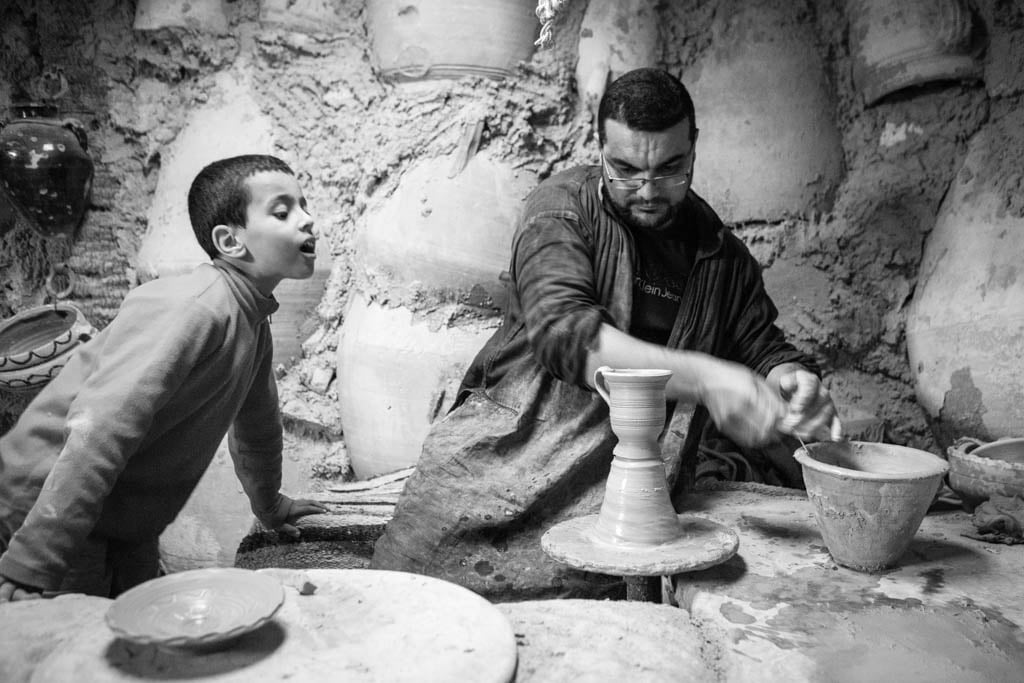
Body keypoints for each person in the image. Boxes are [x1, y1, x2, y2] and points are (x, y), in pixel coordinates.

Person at [372, 68, 842, 599]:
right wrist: (709, 380)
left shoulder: (719, 254)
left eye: (670, 169)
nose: (647, 190)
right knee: (420, 603)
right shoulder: (560, 209)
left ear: (694, 148)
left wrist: (793, 380)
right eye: (625, 169)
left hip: (639, 488)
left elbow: (762, 346)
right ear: (599, 147)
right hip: (516, 463)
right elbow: (565, 333)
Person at [0, 154, 327, 602]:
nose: (308, 220)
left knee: (139, 630)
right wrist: (34, 560)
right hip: (49, 509)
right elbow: (99, 429)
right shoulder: (191, 306)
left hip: (125, 521)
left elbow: (257, 427)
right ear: (231, 241)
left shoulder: (250, 317)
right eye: (283, 211)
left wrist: (269, 503)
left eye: (304, 205)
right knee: (80, 651)